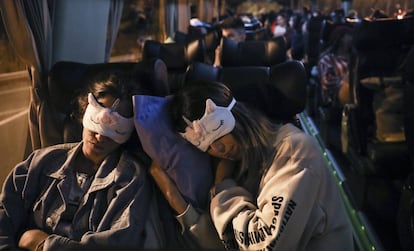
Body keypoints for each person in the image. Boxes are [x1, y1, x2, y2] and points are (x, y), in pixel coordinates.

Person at [159, 80, 354, 250]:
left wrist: (222, 188)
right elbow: (226, 242)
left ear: (235, 113)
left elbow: (264, 244)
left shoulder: (295, 154)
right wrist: (175, 198)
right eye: (207, 146)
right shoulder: (244, 164)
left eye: (217, 132)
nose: (218, 149)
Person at [0, 72, 162, 251]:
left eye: (116, 128)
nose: (100, 136)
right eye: (96, 122)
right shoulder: (40, 162)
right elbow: (4, 216)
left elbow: (117, 242)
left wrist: (43, 244)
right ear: (85, 110)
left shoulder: (129, 179)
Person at [317, 24, 353, 108]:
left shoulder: (354, 57)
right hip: (334, 99)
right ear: (341, 39)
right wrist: (346, 80)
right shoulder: (327, 60)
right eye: (349, 36)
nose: (352, 39)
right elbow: (327, 82)